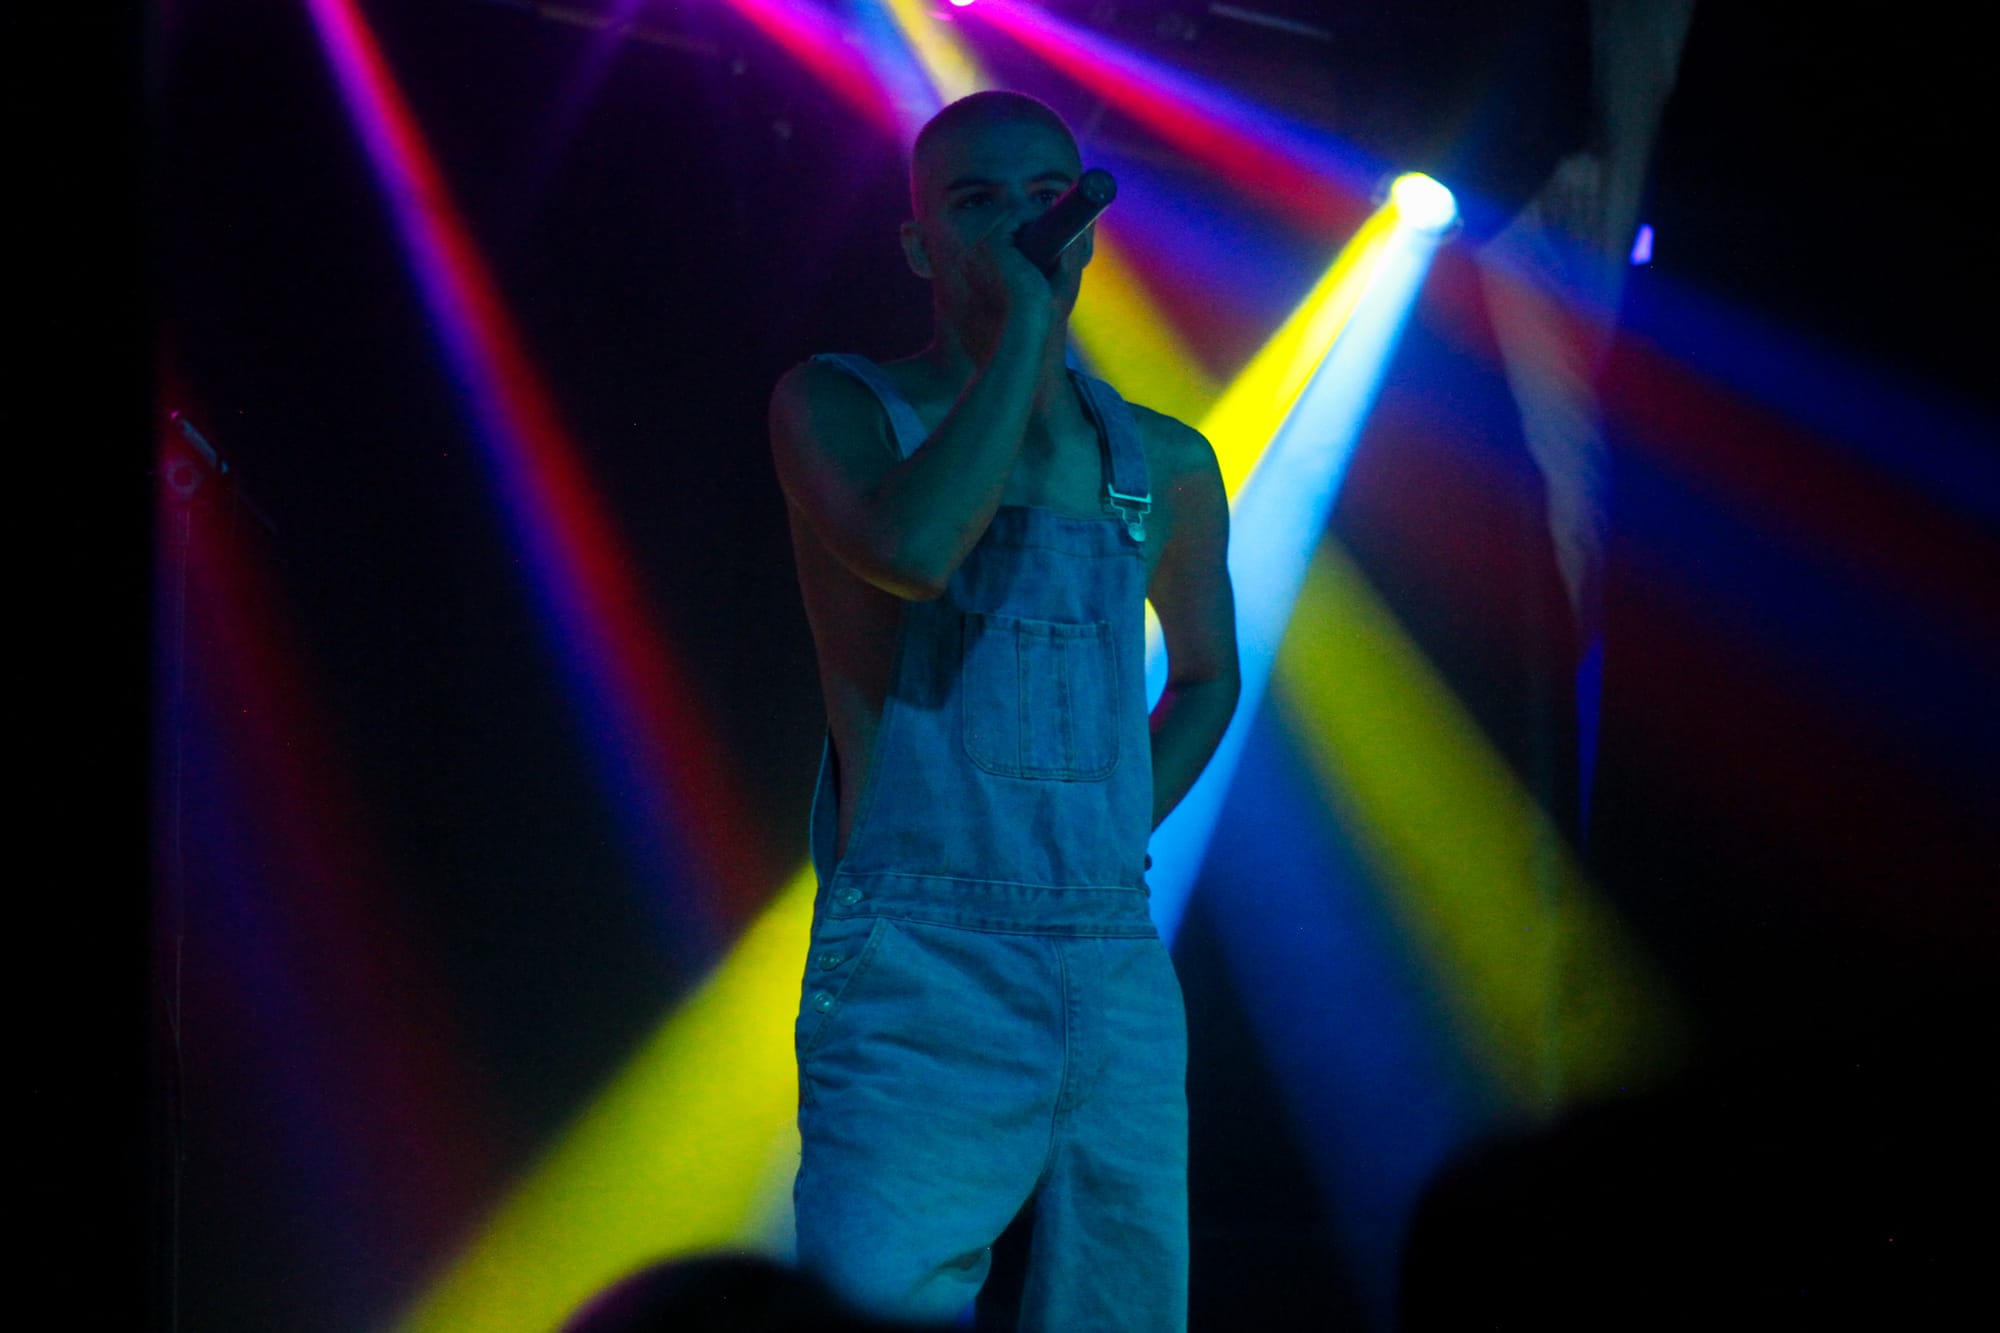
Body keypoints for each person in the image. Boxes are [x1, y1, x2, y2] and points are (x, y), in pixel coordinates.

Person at [767, 91, 1240, 1330]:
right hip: (921, 962)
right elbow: (915, 549)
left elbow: (1207, 675)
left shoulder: (1165, 462)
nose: (1020, 225)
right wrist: (1026, 331)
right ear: (919, 243)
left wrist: (1117, 824)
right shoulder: (839, 405)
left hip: (1111, 958)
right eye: (976, 202)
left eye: (1045, 197)